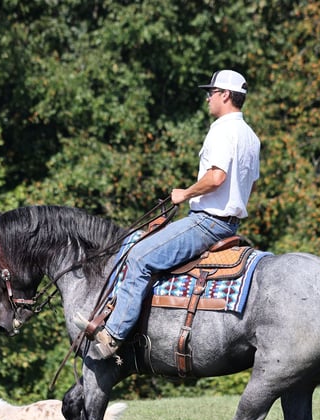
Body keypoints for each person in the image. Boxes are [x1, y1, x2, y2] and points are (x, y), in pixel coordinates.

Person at [75, 69, 261, 359]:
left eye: (211, 92)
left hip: (207, 222)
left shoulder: (223, 129)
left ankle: (114, 336)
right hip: (231, 225)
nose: (208, 98)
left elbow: (217, 178)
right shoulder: (251, 136)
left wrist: (184, 193)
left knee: (138, 256)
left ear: (226, 95)